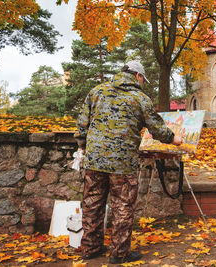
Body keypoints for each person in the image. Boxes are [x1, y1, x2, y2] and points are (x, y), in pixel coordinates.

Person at [74, 60, 182, 264]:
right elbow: (157, 129)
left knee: (91, 205)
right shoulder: (140, 98)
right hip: (123, 164)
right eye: (143, 79)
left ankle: (90, 248)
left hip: (94, 161)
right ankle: (119, 253)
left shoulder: (97, 91)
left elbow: (82, 123)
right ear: (138, 76)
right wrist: (173, 139)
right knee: (122, 207)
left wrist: (82, 145)